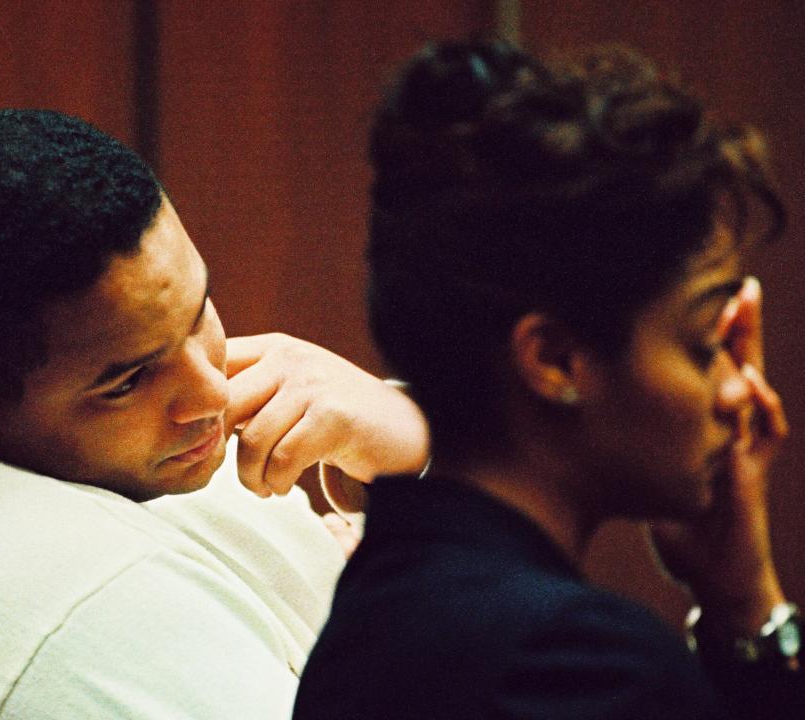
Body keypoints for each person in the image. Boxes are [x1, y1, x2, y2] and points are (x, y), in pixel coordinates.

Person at [0, 109, 429, 719]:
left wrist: (412, 442)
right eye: (130, 379)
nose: (213, 396)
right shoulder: (91, 609)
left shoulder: (109, 461)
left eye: (200, 311)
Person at [294, 40, 804, 719]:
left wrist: (736, 598)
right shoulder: (580, 668)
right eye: (707, 344)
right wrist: (756, 612)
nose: (742, 393)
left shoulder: (375, 612)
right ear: (555, 359)